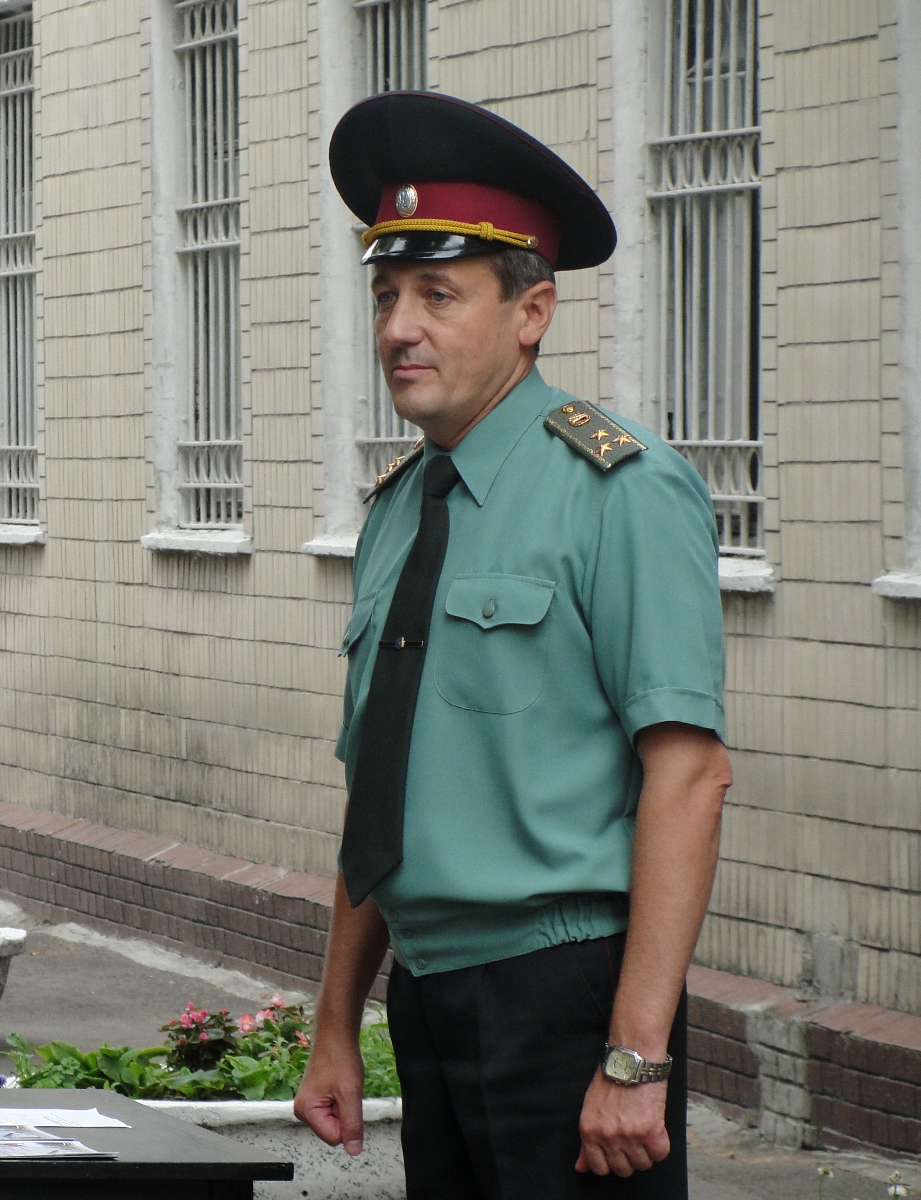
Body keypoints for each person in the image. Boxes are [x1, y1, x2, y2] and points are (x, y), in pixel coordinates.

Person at [293, 92, 732, 1198]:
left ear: (532, 311)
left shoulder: (619, 489)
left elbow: (689, 776)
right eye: (386, 295)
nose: (399, 329)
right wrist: (336, 1023)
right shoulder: (399, 510)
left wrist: (634, 1058)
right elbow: (377, 791)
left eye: (437, 295)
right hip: (430, 995)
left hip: (565, 996)